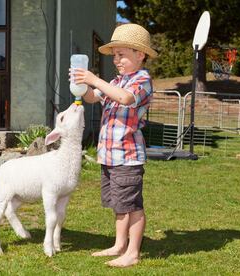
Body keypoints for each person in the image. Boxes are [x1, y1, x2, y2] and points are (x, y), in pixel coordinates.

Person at [69, 23, 157, 267]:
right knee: (119, 204)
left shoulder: (142, 80)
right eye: (115, 55)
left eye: (122, 55)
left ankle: (133, 253)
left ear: (140, 55)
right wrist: (82, 83)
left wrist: (95, 79)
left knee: (133, 205)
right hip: (109, 155)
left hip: (128, 156)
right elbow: (91, 97)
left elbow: (125, 98)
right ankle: (119, 245)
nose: (117, 60)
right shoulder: (115, 80)